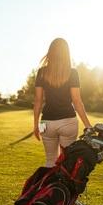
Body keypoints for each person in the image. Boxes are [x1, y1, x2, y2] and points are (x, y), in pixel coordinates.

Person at [32, 38, 94, 167]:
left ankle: (51, 187)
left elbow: (38, 101)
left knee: (50, 161)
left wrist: (35, 125)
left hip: (45, 123)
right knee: (66, 163)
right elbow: (77, 101)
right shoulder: (73, 73)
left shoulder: (41, 72)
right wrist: (88, 126)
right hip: (68, 122)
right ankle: (63, 187)